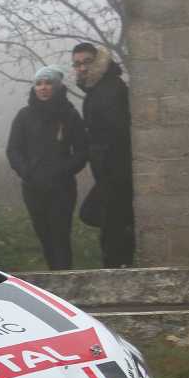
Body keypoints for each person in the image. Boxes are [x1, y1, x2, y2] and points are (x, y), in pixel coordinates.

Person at [6, 66, 89, 271]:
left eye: (48, 83)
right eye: (39, 84)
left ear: (57, 86)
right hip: (33, 188)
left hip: (62, 188)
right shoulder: (24, 116)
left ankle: (64, 277)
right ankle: (54, 276)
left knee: (60, 235)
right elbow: (13, 150)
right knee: (44, 235)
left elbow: (82, 151)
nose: (43, 88)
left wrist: (62, 171)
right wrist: (26, 172)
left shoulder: (70, 115)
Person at [73, 42, 135, 268]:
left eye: (87, 62)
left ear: (98, 62)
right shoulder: (98, 90)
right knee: (104, 220)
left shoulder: (110, 90)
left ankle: (119, 269)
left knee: (110, 227)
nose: (82, 68)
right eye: (77, 64)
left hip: (116, 173)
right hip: (107, 172)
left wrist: (102, 159)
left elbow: (118, 133)